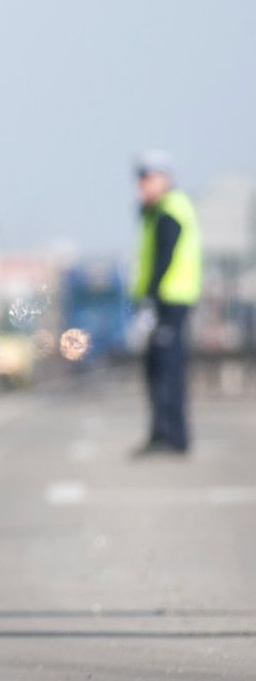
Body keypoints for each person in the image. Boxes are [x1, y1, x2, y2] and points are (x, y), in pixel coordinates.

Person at [129, 151, 201, 456]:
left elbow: (163, 258)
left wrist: (150, 299)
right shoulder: (157, 210)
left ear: (164, 179)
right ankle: (164, 433)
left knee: (166, 370)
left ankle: (171, 436)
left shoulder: (170, 209)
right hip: (166, 301)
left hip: (169, 302)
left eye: (147, 179)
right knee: (158, 368)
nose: (142, 187)